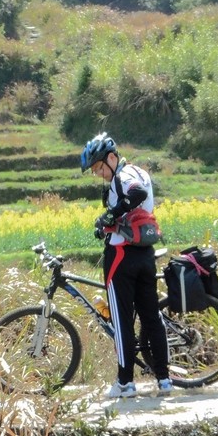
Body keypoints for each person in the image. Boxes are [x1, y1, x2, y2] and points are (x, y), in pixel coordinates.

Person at [80, 132, 171, 399]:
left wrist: (110, 214)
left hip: (121, 257)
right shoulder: (139, 171)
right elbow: (140, 199)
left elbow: (136, 194)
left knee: (122, 323)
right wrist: (109, 219)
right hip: (145, 253)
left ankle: (125, 382)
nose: (98, 174)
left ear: (111, 158)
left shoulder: (124, 177)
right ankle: (164, 380)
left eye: (98, 167)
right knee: (151, 317)